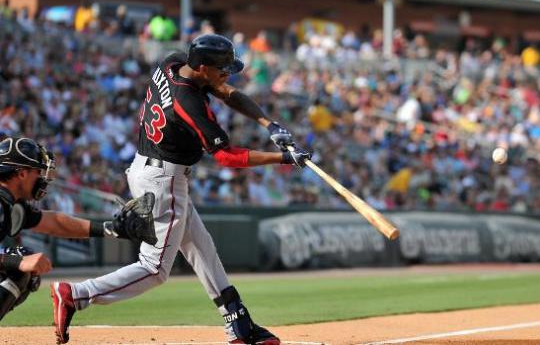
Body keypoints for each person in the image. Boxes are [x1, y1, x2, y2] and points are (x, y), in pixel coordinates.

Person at [52, 33, 311, 345]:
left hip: (151, 168)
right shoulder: (187, 101)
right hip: (165, 180)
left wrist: (269, 125)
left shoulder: (174, 62)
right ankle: (76, 295)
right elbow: (226, 156)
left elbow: (227, 92)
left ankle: (239, 324)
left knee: (202, 249)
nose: (227, 74)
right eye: (221, 69)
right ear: (202, 68)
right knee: (155, 267)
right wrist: (282, 158)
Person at [0, 137, 156, 322]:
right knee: (17, 267)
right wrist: (16, 262)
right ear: (22, 173)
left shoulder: (11, 202)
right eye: (38, 171)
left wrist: (110, 229)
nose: (42, 177)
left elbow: (55, 222)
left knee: (22, 265)